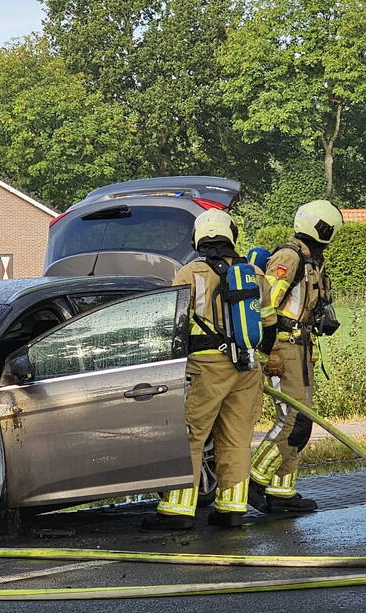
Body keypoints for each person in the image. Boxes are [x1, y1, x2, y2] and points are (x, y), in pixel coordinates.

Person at [143, 209, 278, 530]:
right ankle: (231, 508)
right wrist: (261, 358)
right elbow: (270, 325)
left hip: (206, 366)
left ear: (198, 237)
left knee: (191, 435)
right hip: (247, 367)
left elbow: (172, 323)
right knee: (236, 437)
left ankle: (177, 511)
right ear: (231, 236)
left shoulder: (190, 273)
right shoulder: (254, 274)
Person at [248, 199, 343, 514]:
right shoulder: (288, 257)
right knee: (294, 419)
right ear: (320, 228)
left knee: (300, 422)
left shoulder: (312, 260)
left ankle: (281, 491)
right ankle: (255, 478)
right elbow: (268, 304)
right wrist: (279, 336)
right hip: (283, 347)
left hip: (301, 348)